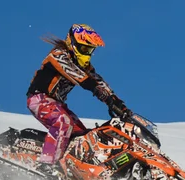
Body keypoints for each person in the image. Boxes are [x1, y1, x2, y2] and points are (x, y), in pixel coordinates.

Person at [26, 23, 131, 167]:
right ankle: (47, 164)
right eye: (84, 48)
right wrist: (97, 90)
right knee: (63, 122)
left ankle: (70, 169)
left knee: (84, 137)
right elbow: (77, 75)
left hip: (58, 104)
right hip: (39, 99)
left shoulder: (85, 67)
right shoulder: (58, 55)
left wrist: (118, 104)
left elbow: (99, 82)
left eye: (90, 50)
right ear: (72, 43)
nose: (87, 53)